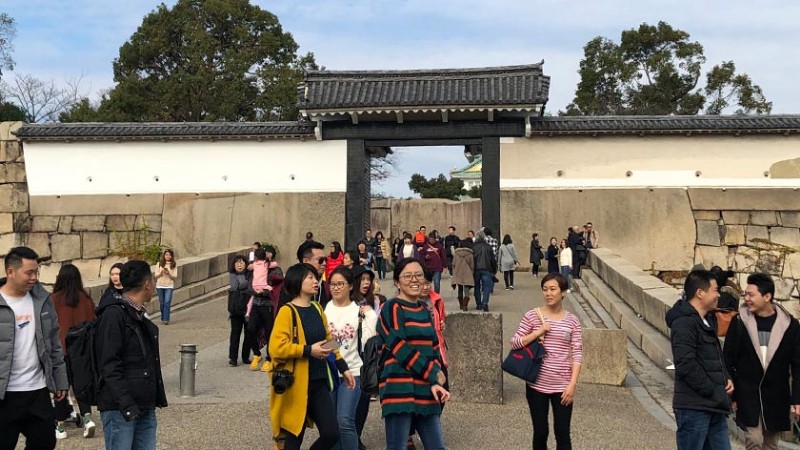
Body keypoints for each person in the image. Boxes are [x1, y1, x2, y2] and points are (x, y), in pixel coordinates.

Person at [269, 263, 355, 450]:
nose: (316, 281)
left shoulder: (317, 308)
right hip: (295, 385)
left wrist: (343, 368)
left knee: (331, 433)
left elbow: (329, 340)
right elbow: (275, 348)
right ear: (297, 281)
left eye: (316, 278)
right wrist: (308, 350)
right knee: (293, 440)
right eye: (310, 277)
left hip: (318, 383)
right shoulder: (287, 311)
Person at [378, 258, 450, 450]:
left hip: (425, 389)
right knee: (398, 447)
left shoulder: (425, 310)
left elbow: (433, 348)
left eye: (418, 275)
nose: (414, 280)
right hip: (399, 389)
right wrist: (433, 373)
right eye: (408, 276)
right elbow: (399, 346)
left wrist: (435, 382)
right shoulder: (392, 307)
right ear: (397, 282)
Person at [0, 246, 68, 450]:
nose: (34, 278)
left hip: (37, 390)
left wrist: (60, 381)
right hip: (5, 394)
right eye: (29, 273)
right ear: (10, 272)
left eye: (36, 272)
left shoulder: (43, 301)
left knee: (45, 442)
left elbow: (54, 344)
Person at [95, 259, 168, 450]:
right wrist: (126, 404)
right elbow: (109, 364)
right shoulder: (114, 315)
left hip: (143, 403)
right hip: (120, 406)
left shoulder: (139, 315)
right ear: (147, 284)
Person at [723, 273, 800, 450]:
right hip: (747, 394)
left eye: (751, 295)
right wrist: (732, 396)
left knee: (771, 444)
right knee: (754, 439)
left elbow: (797, 365)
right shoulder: (739, 322)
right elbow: (727, 359)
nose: (746, 299)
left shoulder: (790, 325)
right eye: (746, 294)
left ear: (767, 296)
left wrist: (797, 399)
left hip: (777, 396)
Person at [511, 273, 583, 450]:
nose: (548, 293)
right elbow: (515, 342)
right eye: (545, 289)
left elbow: (577, 353)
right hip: (536, 385)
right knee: (541, 432)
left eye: (553, 289)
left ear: (563, 292)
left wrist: (572, 384)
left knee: (563, 433)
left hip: (562, 386)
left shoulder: (572, 321)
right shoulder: (532, 315)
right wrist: (538, 332)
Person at [666, 269, 733, 450]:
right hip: (694, 408)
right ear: (700, 293)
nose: (719, 295)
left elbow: (714, 356)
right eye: (715, 290)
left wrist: (725, 377)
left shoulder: (707, 320)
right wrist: (713, 390)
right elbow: (686, 364)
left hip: (714, 407)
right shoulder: (684, 323)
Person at [325, 266, 378, 450]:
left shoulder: (358, 311)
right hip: (330, 373)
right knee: (332, 425)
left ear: (350, 286)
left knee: (345, 420)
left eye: (340, 284)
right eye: (333, 284)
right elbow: (322, 341)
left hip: (353, 371)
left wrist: (370, 314)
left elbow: (368, 341)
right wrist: (335, 344)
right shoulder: (325, 309)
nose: (336, 288)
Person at [51, 263, 97, 439]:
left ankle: (60, 426)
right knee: (81, 385)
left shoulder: (54, 299)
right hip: (82, 348)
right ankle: (87, 419)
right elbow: (93, 320)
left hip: (60, 349)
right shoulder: (85, 298)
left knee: (61, 387)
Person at [248, 247, 280, 372]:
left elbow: (277, 288)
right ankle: (257, 353)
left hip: (268, 304)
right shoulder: (256, 266)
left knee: (269, 332)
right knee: (250, 329)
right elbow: (250, 283)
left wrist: (265, 292)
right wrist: (254, 291)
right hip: (256, 303)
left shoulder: (275, 269)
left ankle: (269, 358)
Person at [228, 255, 253, 367]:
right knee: (235, 334)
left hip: (248, 309)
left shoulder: (249, 274)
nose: (239, 265)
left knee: (248, 334)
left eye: (242, 262)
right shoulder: (233, 275)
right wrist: (249, 280)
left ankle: (245, 357)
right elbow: (236, 286)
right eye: (237, 262)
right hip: (236, 309)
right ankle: (233, 358)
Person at [472, 231, 497, 312]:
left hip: (476, 269)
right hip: (487, 268)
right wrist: (494, 270)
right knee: (486, 287)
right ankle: (485, 302)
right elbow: (493, 260)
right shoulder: (488, 247)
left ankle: (478, 304)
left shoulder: (473, 247)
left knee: (477, 286)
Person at [154, 249, 177, 325]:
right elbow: (155, 275)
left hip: (169, 285)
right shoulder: (159, 264)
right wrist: (160, 273)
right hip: (160, 285)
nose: (168, 256)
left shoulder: (173, 264)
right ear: (164, 255)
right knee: (162, 303)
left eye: (169, 255)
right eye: (166, 255)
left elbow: (174, 276)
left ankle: (166, 319)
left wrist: (169, 273)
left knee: (167, 302)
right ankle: (163, 316)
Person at [452, 239, 475, 311]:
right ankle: (465, 305)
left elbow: (453, 264)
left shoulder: (456, 254)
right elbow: (472, 265)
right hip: (467, 273)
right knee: (466, 290)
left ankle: (461, 305)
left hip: (458, 272)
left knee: (460, 289)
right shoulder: (470, 254)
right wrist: (472, 273)